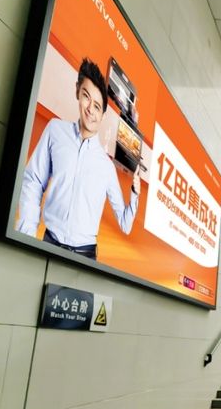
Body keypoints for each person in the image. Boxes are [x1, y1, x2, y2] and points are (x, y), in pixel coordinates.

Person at [16, 58, 140, 260]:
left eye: (97, 106)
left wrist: (134, 194)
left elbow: (125, 225)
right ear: (77, 92)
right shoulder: (55, 130)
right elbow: (34, 181)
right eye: (86, 97)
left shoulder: (106, 166)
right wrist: (26, 235)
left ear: (103, 115)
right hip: (49, 244)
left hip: (85, 257)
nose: (90, 109)